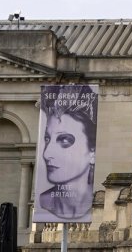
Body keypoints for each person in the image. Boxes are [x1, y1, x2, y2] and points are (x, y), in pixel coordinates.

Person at [38, 86, 98, 222]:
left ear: (92, 152)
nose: (46, 154)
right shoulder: (42, 202)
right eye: (47, 139)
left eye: (64, 140)